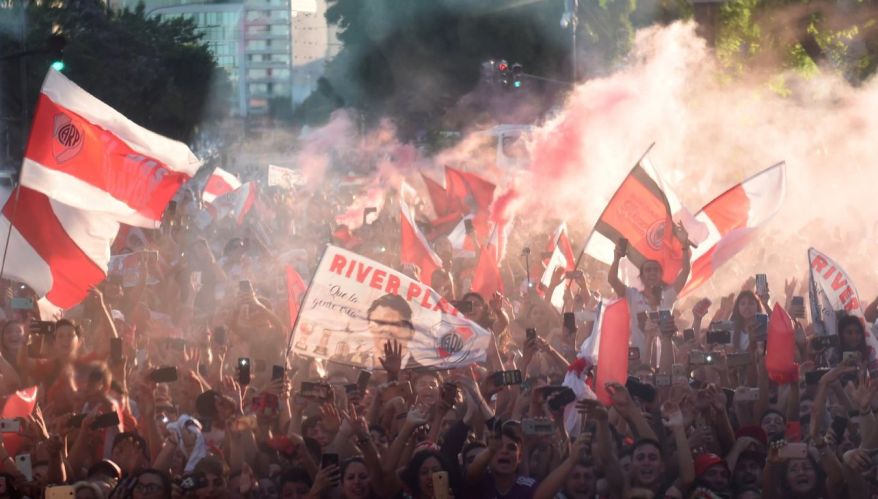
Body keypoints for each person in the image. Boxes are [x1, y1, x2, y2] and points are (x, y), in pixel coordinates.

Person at [608, 227, 691, 364]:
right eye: (648, 270)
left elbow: (685, 272)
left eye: (656, 270)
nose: (652, 273)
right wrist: (616, 258)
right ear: (641, 275)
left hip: (664, 359)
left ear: (660, 275)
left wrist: (684, 245)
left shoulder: (667, 295)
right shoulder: (632, 295)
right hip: (638, 360)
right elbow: (612, 280)